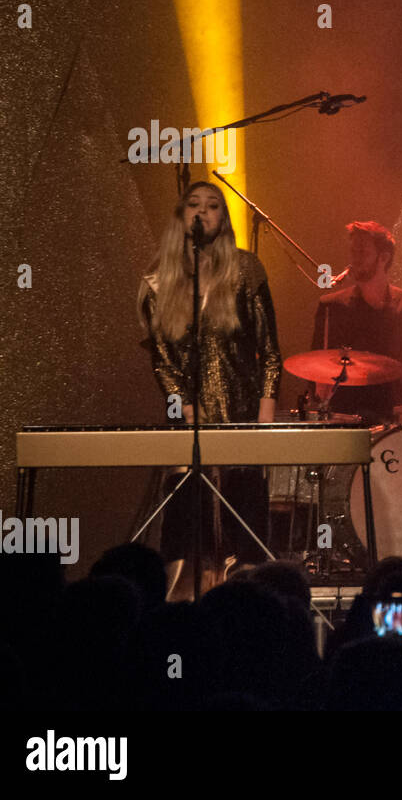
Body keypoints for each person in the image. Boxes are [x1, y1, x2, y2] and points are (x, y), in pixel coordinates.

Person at [138, 181, 281, 599]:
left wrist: (264, 427)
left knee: (244, 539)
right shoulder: (157, 283)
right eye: (194, 205)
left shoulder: (246, 270)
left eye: (213, 205)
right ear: (181, 216)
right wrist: (184, 408)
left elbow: (270, 354)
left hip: (241, 423)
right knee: (187, 537)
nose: (203, 212)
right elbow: (162, 364)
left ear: (224, 217)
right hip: (186, 427)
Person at [310, 221, 402, 424]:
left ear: (384, 258)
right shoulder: (331, 307)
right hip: (346, 417)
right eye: (352, 251)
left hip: (396, 415)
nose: (354, 259)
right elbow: (313, 375)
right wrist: (319, 391)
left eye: (362, 252)